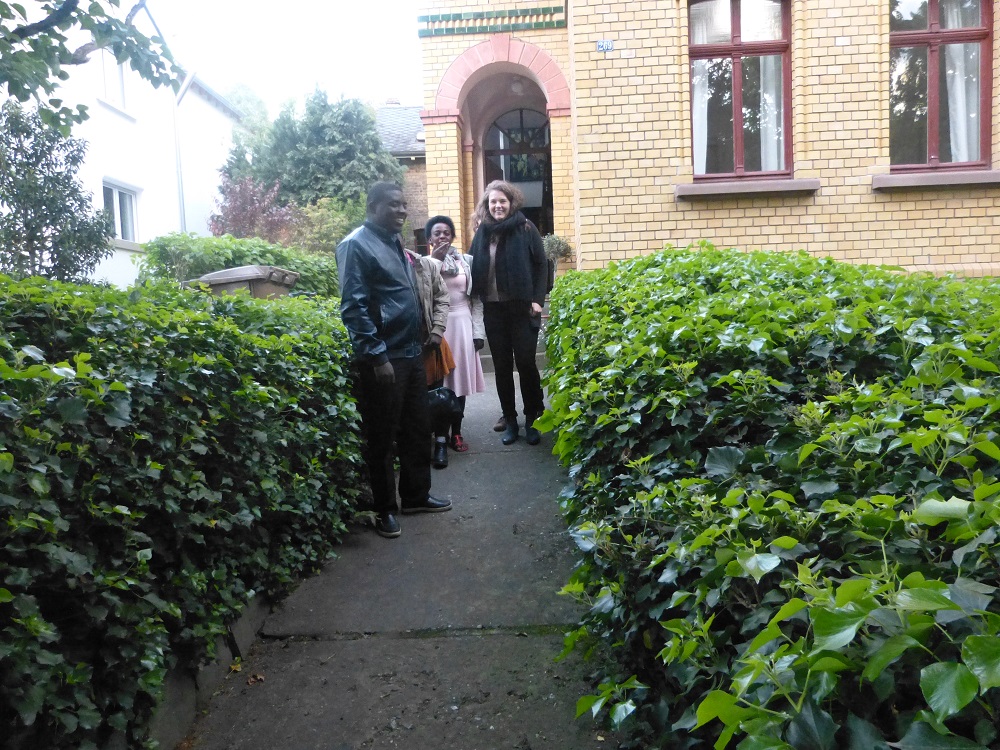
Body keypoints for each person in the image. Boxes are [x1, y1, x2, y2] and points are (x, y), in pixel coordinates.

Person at [336, 182, 452, 538]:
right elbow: (353, 307)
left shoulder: (393, 241)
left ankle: (415, 496)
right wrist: (375, 355)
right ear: (373, 206)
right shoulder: (356, 245)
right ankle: (384, 509)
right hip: (385, 359)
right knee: (382, 436)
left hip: (411, 353)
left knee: (418, 429)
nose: (402, 210)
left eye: (404, 204)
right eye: (394, 205)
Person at [468, 180, 547, 446]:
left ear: (511, 203)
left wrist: (538, 300)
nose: (498, 206)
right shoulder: (482, 232)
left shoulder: (526, 227)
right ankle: (510, 420)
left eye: (502, 201)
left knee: (526, 364)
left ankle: (533, 418)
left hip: (522, 308)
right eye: (493, 202)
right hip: (493, 310)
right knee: (501, 367)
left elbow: (541, 265)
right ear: (487, 205)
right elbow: (471, 265)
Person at [427, 215, 486, 465]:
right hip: (438, 329)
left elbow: (476, 299)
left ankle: (457, 432)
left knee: (459, 383)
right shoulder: (424, 264)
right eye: (437, 233)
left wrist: (478, 332)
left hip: (463, 325)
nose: (442, 236)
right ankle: (439, 436)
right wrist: (436, 260)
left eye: (446, 232)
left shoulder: (466, 262)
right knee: (440, 382)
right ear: (429, 239)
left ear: (453, 236)